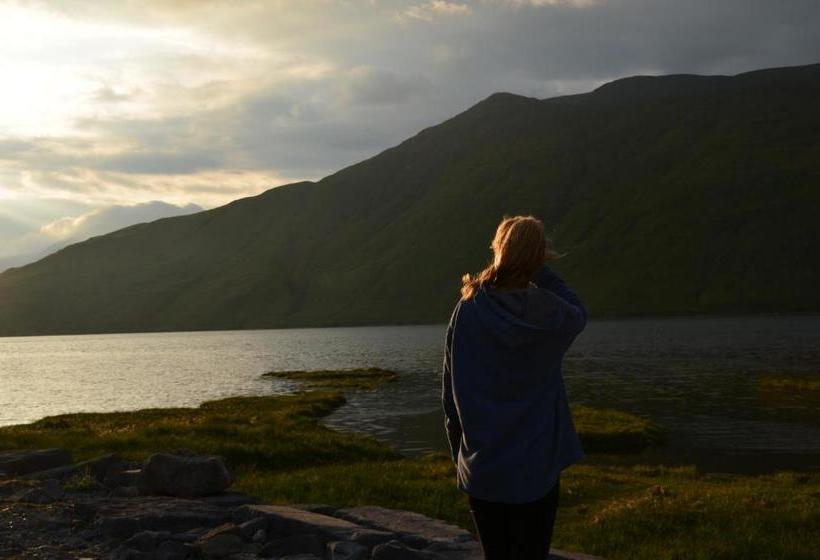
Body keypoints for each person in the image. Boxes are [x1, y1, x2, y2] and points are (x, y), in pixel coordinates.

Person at [441, 214, 587, 560]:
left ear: (497, 250)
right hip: (535, 468)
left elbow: (450, 391)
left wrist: (459, 456)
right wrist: (541, 273)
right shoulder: (548, 310)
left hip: (483, 467)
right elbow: (578, 312)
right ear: (539, 257)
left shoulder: (468, 308)